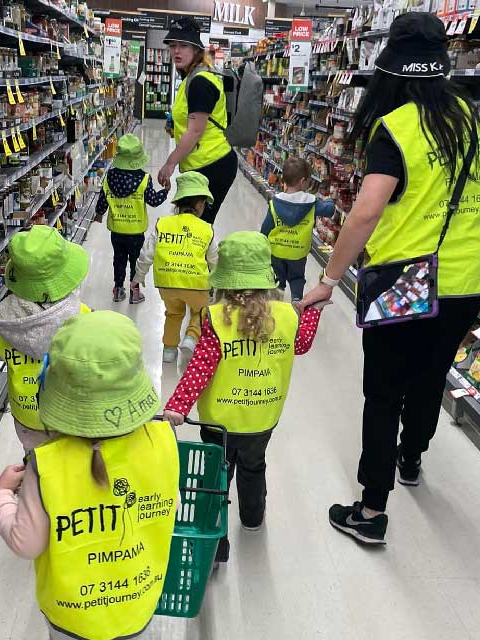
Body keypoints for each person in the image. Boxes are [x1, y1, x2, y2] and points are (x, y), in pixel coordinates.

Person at [300, 12, 480, 545]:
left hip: (407, 279)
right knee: (431, 376)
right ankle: (412, 458)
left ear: (393, 67)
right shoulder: (468, 116)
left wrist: (328, 278)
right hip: (467, 276)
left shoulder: (398, 126)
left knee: (383, 393)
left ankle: (370, 509)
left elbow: (365, 213)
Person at [0, 311, 180, 640]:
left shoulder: (44, 465)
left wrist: (1, 497)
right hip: (138, 603)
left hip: (71, 615)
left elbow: (26, 542)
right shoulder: (163, 441)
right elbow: (169, 506)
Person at [163, 231, 325, 563]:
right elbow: (303, 343)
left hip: (220, 424)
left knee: (215, 477)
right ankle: (252, 519)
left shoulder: (217, 320)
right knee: (254, 467)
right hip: (262, 418)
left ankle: (215, 542)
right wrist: (312, 310)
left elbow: (200, 369)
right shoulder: (285, 316)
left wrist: (178, 406)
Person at [0, 226, 91, 452]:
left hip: (26, 416)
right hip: (65, 412)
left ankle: (33, 483)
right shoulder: (82, 315)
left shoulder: (3, 323)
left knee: (34, 462)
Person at [158, 16, 237, 225]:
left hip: (212, 165)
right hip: (202, 164)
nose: (176, 51)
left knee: (196, 230)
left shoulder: (201, 81)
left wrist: (169, 163)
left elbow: (195, 131)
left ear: (196, 49)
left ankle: (201, 259)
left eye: (183, 45)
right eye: (173, 45)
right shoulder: (193, 77)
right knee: (192, 227)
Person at [133, 171, 218, 364]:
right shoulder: (206, 228)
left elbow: (147, 254)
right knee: (200, 311)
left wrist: (138, 278)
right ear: (199, 204)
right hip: (196, 283)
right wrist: (218, 282)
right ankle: (191, 337)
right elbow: (215, 260)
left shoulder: (163, 223)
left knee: (173, 313)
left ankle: (169, 351)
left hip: (167, 283)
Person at [95, 133, 169, 304]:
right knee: (135, 260)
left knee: (119, 259)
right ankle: (134, 292)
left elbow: (103, 200)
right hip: (135, 231)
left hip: (117, 229)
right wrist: (165, 191)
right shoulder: (144, 179)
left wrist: (99, 214)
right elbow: (154, 201)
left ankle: (118, 289)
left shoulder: (109, 177)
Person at [261, 157, 336, 301]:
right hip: (298, 253)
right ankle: (296, 302)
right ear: (303, 181)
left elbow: (265, 230)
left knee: (277, 280)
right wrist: (330, 200)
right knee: (296, 278)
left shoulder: (275, 203)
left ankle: (276, 303)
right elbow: (329, 210)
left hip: (276, 251)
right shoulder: (311, 203)